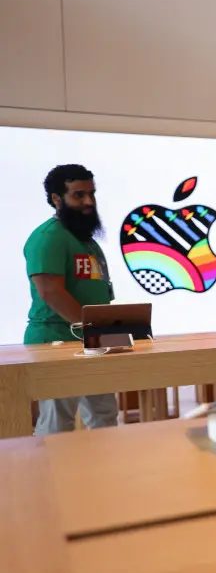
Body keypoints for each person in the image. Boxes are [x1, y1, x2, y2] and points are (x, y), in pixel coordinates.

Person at [25, 165, 119, 434]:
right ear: (57, 199)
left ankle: (105, 474)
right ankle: (50, 477)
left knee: (104, 415)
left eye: (92, 194)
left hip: (91, 341)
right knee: (58, 421)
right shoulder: (48, 238)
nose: (89, 201)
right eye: (79, 195)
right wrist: (93, 331)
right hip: (55, 340)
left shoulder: (86, 240)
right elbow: (50, 291)